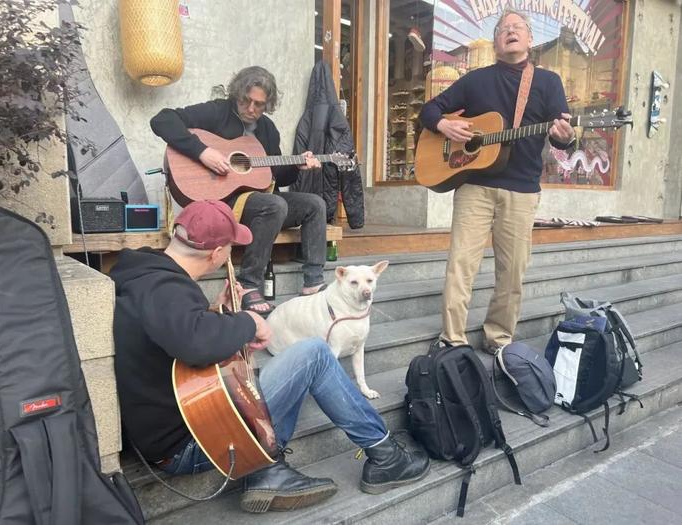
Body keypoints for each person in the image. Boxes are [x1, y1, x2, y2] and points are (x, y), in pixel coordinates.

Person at [109, 200, 429, 514]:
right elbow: (196, 344)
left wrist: (215, 312)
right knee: (314, 353)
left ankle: (265, 467)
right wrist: (249, 322)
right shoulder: (165, 289)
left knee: (283, 370)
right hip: (191, 443)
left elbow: (173, 332)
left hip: (190, 423)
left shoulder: (146, 275)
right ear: (217, 253)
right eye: (231, 249)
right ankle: (386, 457)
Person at [419, 8, 575, 354]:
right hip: (474, 185)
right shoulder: (475, 80)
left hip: (521, 189)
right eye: (503, 28)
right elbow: (428, 110)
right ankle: (453, 338)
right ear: (495, 41)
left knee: (513, 270)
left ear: (530, 39)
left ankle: (499, 337)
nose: (510, 31)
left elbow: (564, 138)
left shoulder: (548, 82)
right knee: (461, 264)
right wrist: (443, 125)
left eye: (517, 27)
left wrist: (564, 136)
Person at [151, 66, 328, 317]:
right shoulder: (217, 112)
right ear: (237, 94)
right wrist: (203, 152)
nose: (252, 109)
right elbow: (162, 119)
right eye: (247, 101)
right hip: (222, 201)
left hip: (255, 201)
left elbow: (276, 174)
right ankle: (248, 285)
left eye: (260, 104)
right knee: (274, 205)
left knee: (314, 204)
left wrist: (298, 166)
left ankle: (313, 281)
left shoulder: (267, 129)